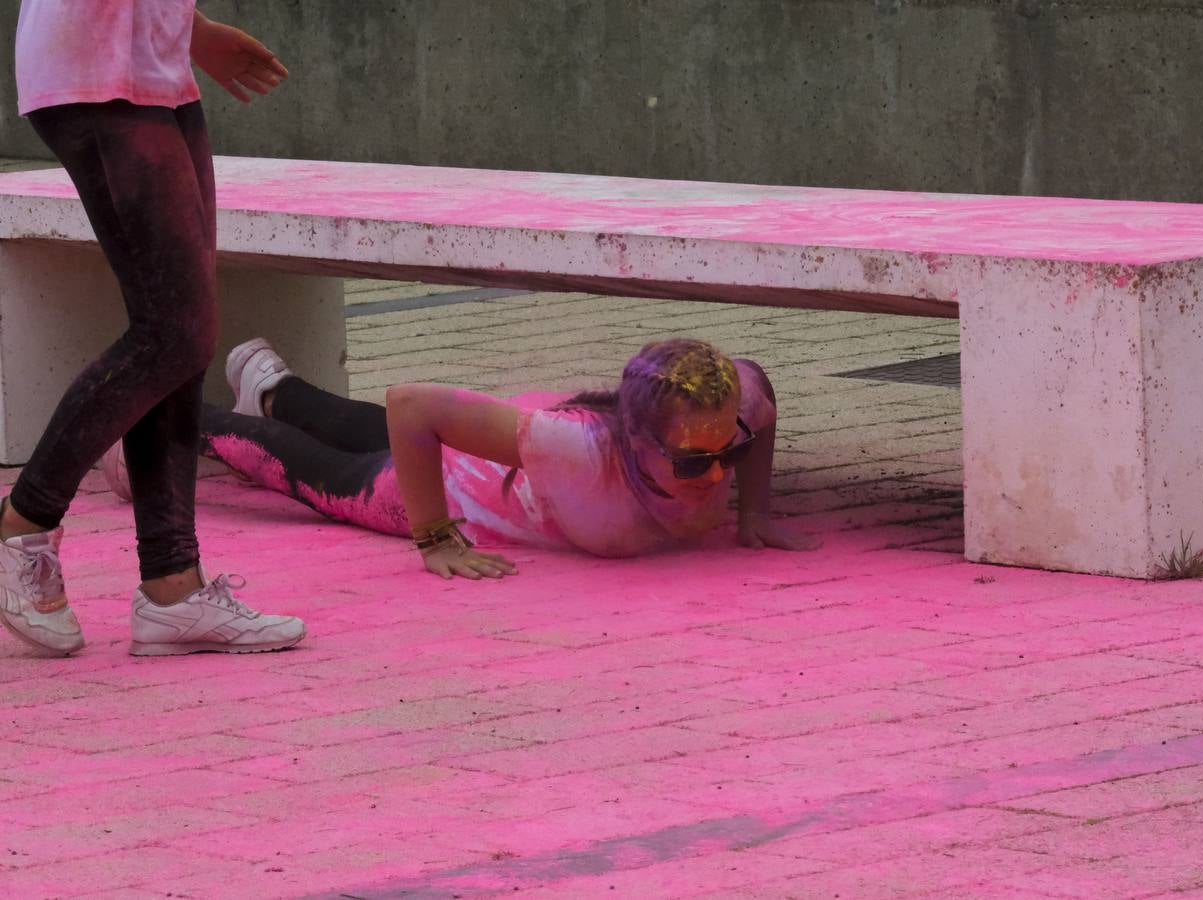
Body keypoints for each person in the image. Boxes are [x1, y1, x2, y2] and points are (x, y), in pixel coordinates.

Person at [0, 3, 306, 657]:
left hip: (150, 64)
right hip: (92, 72)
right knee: (174, 331)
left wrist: (189, 30)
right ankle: (23, 521)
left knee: (183, 335)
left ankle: (172, 586)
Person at [102, 336, 822, 579]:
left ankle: (276, 384)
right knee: (308, 470)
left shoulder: (734, 406)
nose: (719, 471)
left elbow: (761, 390)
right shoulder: (577, 449)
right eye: (694, 463)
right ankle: (158, 425)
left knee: (361, 425)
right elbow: (412, 406)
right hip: (447, 491)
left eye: (731, 447)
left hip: (490, 460)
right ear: (634, 440)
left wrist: (753, 509)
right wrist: (435, 536)